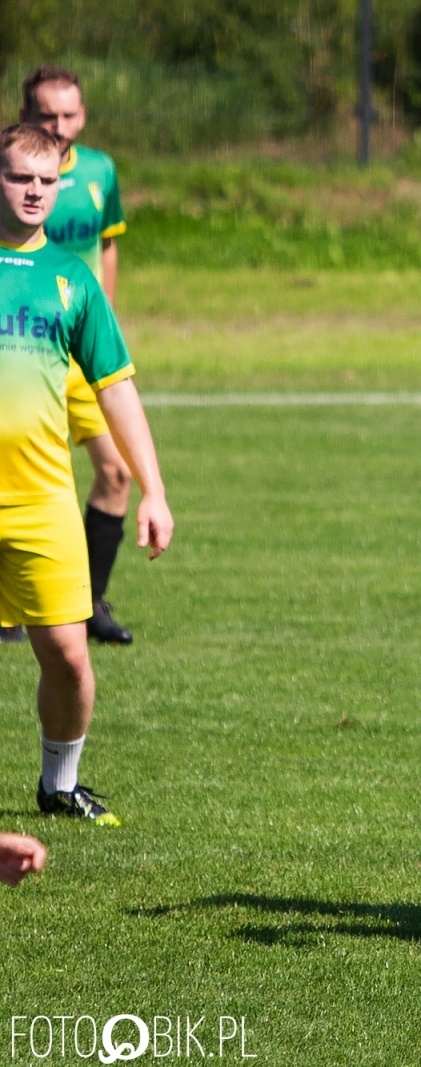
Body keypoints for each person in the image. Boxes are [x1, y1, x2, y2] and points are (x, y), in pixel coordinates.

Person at [0, 122, 174, 824]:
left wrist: (153, 489)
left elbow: (116, 388)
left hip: (42, 501)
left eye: (46, 180)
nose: (35, 191)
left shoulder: (72, 280)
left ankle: (59, 784)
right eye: (20, 177)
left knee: (70, 658)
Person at [0, 66, 136, 646]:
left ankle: (89, 603)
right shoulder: (16, 175)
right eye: (47, 115)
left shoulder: (100, 172)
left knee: (117, 471)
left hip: (77, 345)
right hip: (26, 342)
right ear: (25, 117)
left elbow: (108, 247)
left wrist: (104, 319)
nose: (59, 126)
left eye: (69, 115)